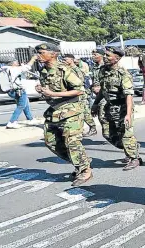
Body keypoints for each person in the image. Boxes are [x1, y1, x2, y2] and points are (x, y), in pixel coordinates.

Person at [35, 43, 92, 187]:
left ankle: (84, 170)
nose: (38, 55)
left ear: (53, 54)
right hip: (54, 111)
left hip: (71, 111)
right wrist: (42, 90)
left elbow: (79, 90)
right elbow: (49, 90)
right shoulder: (44, 71)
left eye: (41, 52)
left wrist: (53, 93)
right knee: (51, 142)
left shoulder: (65, 69)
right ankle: (81, 161)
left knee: (72, 142)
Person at [93, 47, 142, 170]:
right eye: (104, 55)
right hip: (109, 106)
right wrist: (95, 103)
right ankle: (131, 148)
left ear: (117, 58)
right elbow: (102, 90)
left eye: (108, 55)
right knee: (108, 134)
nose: (105, 57)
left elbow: (129, 95)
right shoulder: (103, 70)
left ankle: (134, 158)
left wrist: (128, 114)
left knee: (126, 133)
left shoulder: (123, 74)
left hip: (123, 106)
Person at [3, 56, 42, 129]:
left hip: (12, 90)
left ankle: (30, 119)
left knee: (25, 104)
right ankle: (12, 122)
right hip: (19, 90)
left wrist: (22, 66)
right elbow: (27, 67)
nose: (17, 62)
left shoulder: (6, 69)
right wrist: (33, 59)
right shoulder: (14, 69)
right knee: (21, 106)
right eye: (16, 61)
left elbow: (22, 72)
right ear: (12, 63)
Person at [63, 54, 97, 137]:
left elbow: (80, 82)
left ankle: (92, 127)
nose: (64, 61)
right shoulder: (67, 69)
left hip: (80, 94)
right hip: (71, 94)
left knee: (85, 112)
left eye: (66, 59)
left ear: (71, 60)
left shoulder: (76, 70)